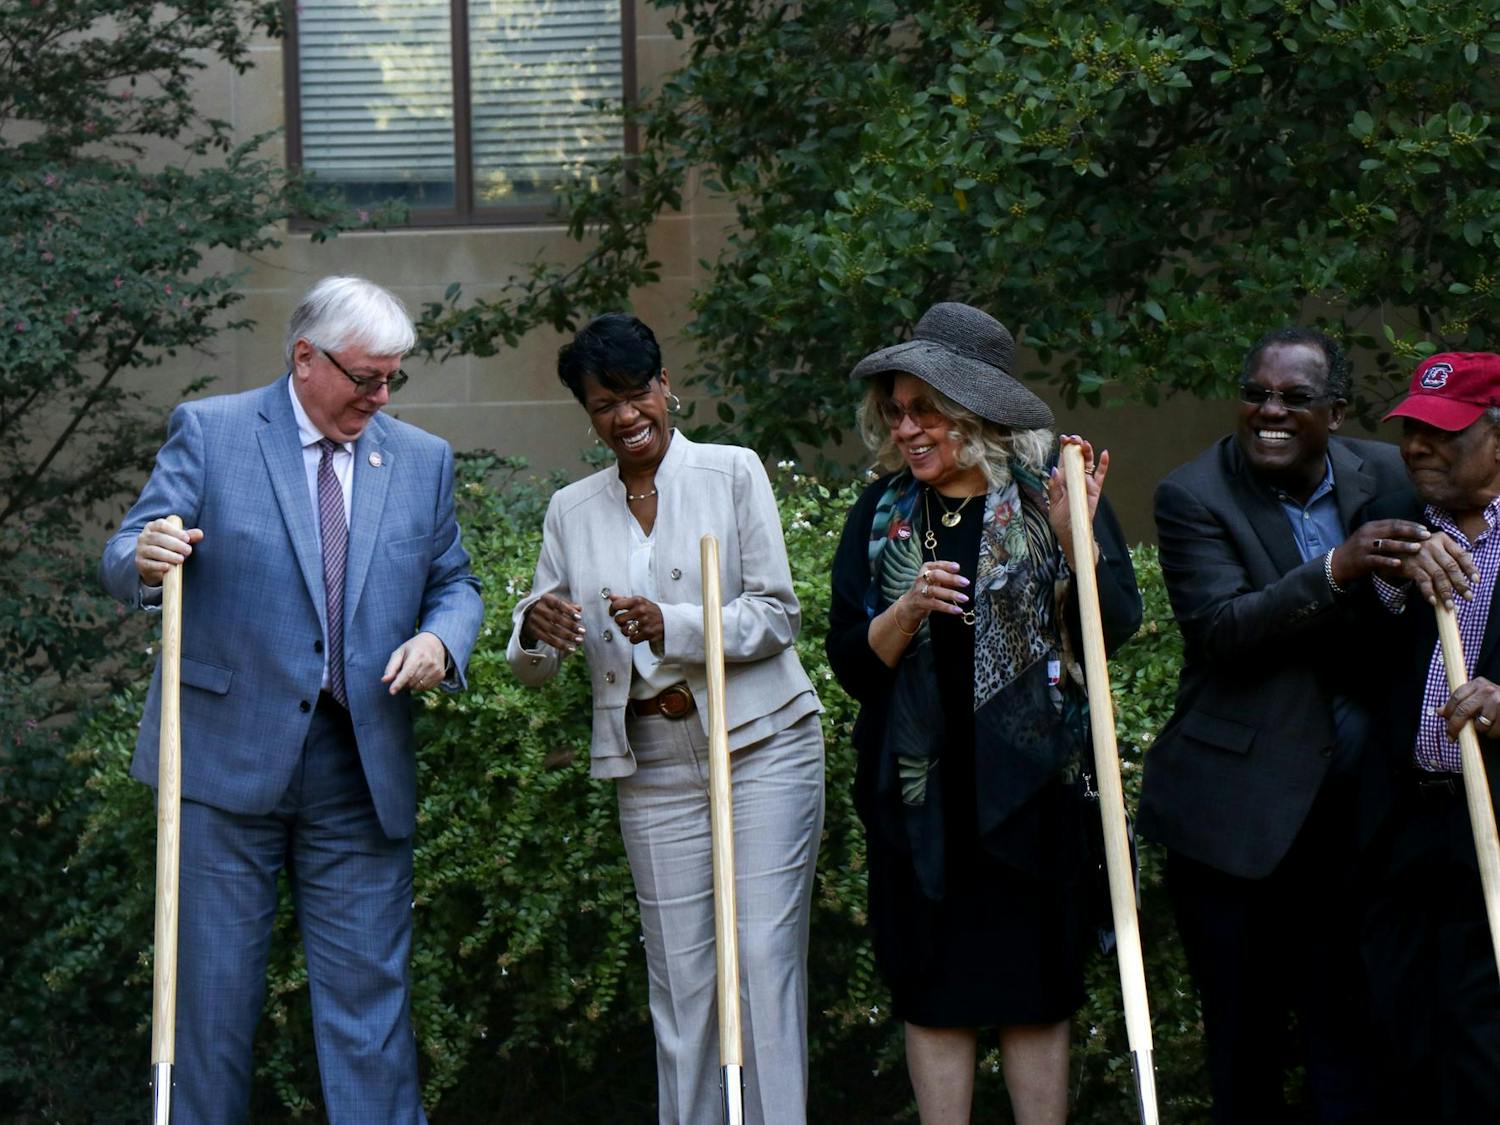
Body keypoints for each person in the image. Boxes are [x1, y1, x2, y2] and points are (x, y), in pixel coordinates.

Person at [99, 276, 483, 1123]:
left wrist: (441, 640)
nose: (380, 398)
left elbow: (455, 582)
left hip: (358, 766)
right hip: (223, 764)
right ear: (305, 358)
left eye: (393, 380)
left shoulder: (420, 459)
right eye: (365, 378)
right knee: (208, 1011)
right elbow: (125, 549)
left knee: (370, 1016)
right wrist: (149, 554)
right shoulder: (214, 430)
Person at [826, 302, 1140, 1125]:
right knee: (933, 998)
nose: (906, 429)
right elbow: (853, 665)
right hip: (920, 808)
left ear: (976, 414)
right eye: (895, 411)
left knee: (1033, 995)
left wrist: (1078, 544)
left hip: (1031, 801)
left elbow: (1118, 631)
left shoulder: (1054, 497)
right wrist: (906, 610)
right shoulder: (882, 516)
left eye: (924, 409)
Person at [506, 313, 825, 1124]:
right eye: (603, 402)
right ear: (588, 413)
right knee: (682, 980)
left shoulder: (731, 471)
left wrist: (673, 623)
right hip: (649, 760)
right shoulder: (571, 510)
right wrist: (532, 629)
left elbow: (777, 614)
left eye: (636, 391)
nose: (625, 414)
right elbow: (536, 656)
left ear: (665, 385)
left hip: (761, 744)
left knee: (758, 958)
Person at [1140, 328, 1421, 1124]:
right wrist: (1340, 567)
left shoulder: (1394, 472)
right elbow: (1222, 629)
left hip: (1363, 813)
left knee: (1356, 1034)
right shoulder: (1192, 494)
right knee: (1244, 1044)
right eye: (1256, 393)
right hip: (1239, 817)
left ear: (1335, 411)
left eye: (1295, 398)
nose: (1269, 411)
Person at [1355, 352, 1500, 1124]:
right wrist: (1397, 559)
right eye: (1412, 429)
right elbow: (1353, 626)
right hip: (1404, 828)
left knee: (1487, 1043)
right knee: (1401, 1035)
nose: (1418, 446)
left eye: (1443, 432)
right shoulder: (1395, 527)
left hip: (1496, 828)